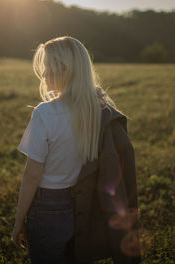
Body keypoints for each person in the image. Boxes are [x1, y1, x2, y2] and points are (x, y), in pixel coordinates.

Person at [11, 36, 142, 264]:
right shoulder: (99, 111)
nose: (43, 75)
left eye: (47, 69)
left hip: (46, 208)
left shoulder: (45, 113)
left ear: (64, 69)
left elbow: (32, 174)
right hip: (83, 206)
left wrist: (19, 219)